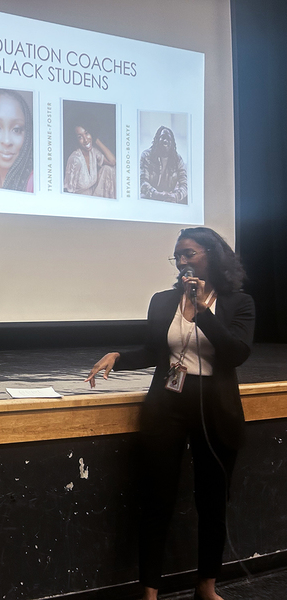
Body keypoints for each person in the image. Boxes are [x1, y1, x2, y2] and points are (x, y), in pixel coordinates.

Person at [85, 227, 254, 600]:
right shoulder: (163, 301)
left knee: (211, 501)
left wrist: (202, 313)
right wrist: (118, 357)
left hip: (214, 406)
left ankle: (206, 586)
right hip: (169, 403)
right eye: (177, 256)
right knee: (156, 499)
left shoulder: (238, 303)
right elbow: (153, 352)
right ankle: (149, 591)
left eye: (189, 253)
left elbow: (236, 353)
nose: (181, 262)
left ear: (211, 254)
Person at [63, 122, 116, 198]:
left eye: (87, 133)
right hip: (81, 201)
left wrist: (95, 139)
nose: (85, 140)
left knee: (108, 169)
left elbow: (112, 162)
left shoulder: (93, 152)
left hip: (93, 195)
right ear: (75, 140)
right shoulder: (75, 160)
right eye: (80, 137)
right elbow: (68, 192)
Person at [140, 126, 188, 203]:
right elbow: (142, 182)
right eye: (162, 137)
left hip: (170, 198)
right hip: (151, 197)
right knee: (142, 197)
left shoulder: (177, 159)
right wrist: (157, 195)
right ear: (157, 140)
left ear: (172, 143)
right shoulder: (146, 156)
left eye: (168, 139)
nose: (165, 141)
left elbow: (185, 185)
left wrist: (176, 196)